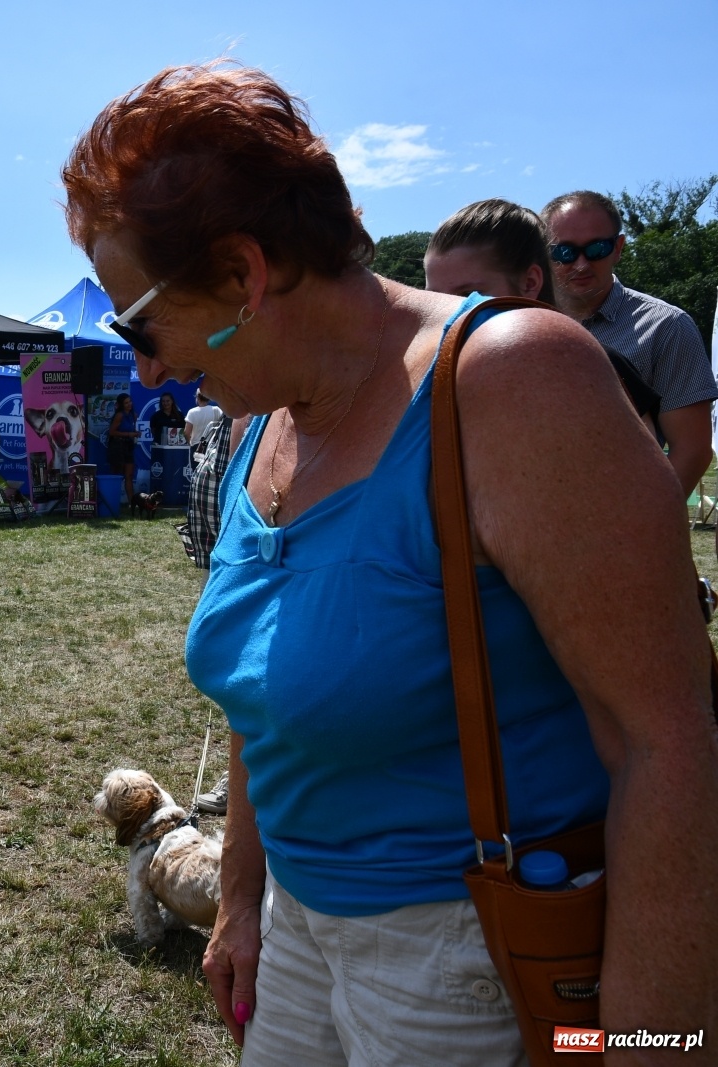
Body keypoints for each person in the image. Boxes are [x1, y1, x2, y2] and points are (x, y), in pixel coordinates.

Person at [64, 64, 718, 1062]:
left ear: (242, 274)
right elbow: (262, 700)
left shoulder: (512, 380)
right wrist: (238, 900)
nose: (143, 367)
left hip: (464, 958)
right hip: (294, 928)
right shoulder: (260, 424)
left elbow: (667, 743)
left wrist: (649, 1042)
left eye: (138, 324)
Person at [425, 198, 661, 432]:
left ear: (530, 283)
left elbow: (647, 466)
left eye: (468, 294)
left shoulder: (593, 365)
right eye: (434, 296)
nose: (450, 311)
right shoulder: (433, 373)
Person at [541, 190, 716, 499]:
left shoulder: (666, 327)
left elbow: (692, 450)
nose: (581, 264)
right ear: (543, 254)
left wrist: (639, 525)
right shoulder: (518, 324)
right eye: (564, 252)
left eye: (596, 248)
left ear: (618, 248)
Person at [106, 393, 139, 503]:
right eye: (126, 403)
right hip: (117, 447)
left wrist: (135, 433)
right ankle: (112, 502)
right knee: (116, 475)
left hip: (129, 446)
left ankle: (132, 502)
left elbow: (132, 430)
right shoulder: (119, 415)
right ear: (121, 405)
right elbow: (112, 432)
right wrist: (129, 434)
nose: (129, 404)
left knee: (129, 475)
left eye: (130, 401)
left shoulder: (133, 415)